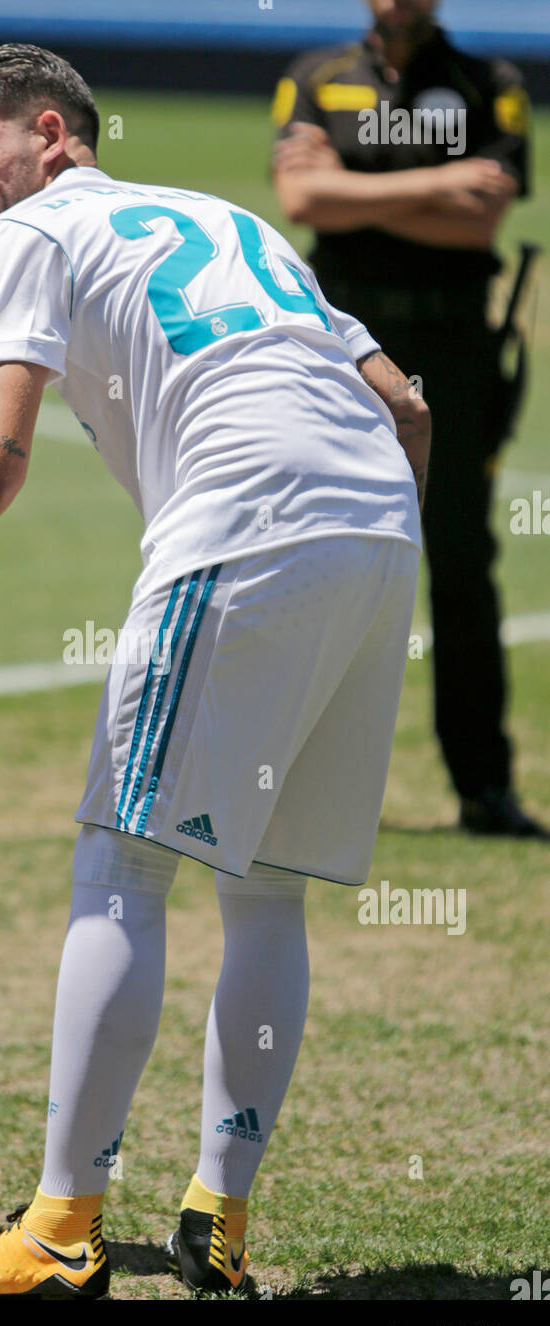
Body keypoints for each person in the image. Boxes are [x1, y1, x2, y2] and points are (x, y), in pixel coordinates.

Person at [0, 44, 429, 1299]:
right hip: (376, 534)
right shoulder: (231, 218)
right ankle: (219, 1215)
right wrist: (341, 543)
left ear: (51, 134)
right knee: (264, 889)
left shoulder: (30, 229)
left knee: (119, 863)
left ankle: (58, 1227)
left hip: (241, 531)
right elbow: (405, 409)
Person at [271, 0, 546, 839]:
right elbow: (300, 198)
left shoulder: (491, 86)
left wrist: (351, 191)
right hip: (344, 344)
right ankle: (285, 782)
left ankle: (485, 791)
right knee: (316, 555)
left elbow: (484, 219)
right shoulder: (315, 77)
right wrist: (436, 181)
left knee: (461, 566)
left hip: (455, 347)